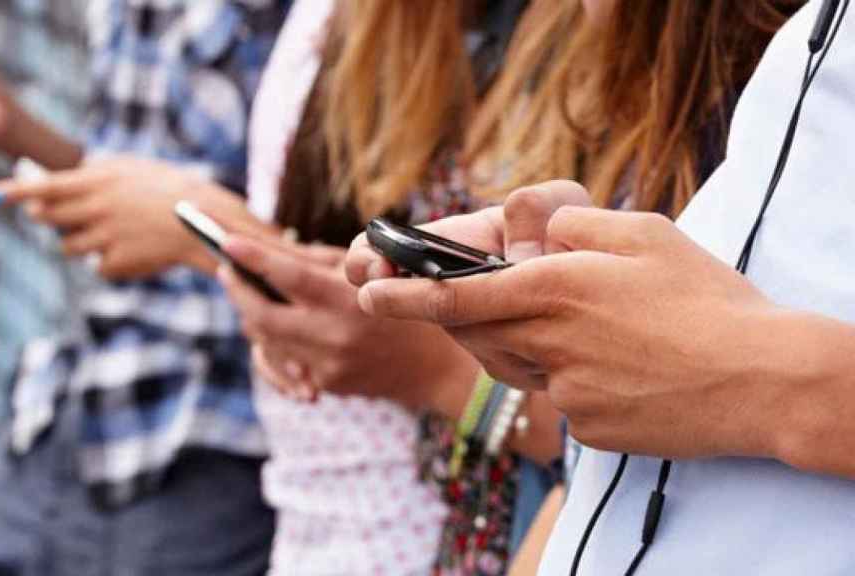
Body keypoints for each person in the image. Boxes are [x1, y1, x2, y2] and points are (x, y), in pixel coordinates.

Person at [221, 0, 793, 573]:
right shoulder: (345, 31)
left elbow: (666, 409)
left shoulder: (733, 92)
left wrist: (440, 371)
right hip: (341, 532)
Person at [348, 0, 855, 574]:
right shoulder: (783, 59)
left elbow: (710, 370)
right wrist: (585, 280)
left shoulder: (737, 64)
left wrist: (754, 373)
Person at [0, 1, 289, 573]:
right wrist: (9, 124)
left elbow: (367, 277)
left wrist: (196, 227)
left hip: (219, 454)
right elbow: (134, 199)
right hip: (78, 410)